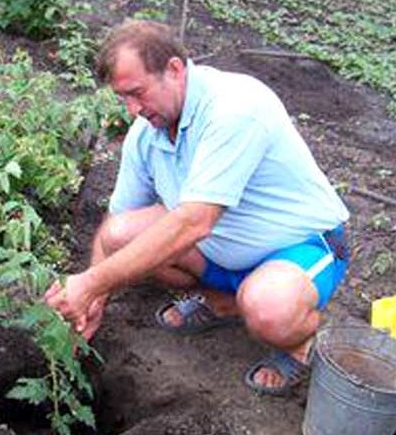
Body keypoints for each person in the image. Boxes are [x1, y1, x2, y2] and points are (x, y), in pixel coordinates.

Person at [44, 20, 350, 395]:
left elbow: (194, 223)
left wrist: (89, 283)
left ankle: (300, 345)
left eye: (137, 93)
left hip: (298, 247)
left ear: (174, 69)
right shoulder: (147, 133)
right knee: (118, 234)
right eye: (123, 97)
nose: (132, 109)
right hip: (223, 247)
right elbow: (117, 221)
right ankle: (223, 304)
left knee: (269, 308)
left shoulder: (236, 108)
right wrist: (94, 298)